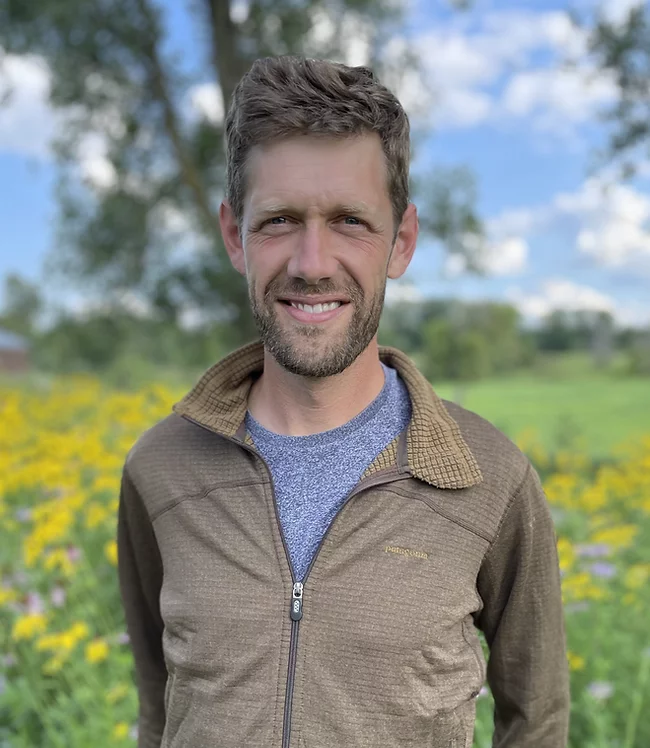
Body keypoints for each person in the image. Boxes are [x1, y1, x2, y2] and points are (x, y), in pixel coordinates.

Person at [117, 56, 570, 748]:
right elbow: (160, 706)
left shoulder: (491, 480)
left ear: (403, 241)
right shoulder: (160, 470)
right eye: (280, 221)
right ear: (235, 235)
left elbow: (536, 722)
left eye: (351, 220)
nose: (311, 262)